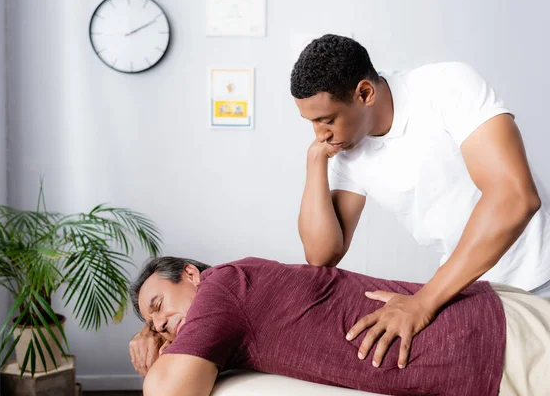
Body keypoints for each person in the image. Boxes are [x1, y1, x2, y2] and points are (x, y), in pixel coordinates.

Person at [291, 34, 550, 368]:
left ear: (364, 93)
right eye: (310, 122)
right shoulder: (346, 149)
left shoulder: (446, 87)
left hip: (541, 275)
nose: (319, 133)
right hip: (472, 292)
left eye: (326, 119)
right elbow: (321, 254)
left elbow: (515, 198)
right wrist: (316, 162)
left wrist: (424, 301)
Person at [129, 256, 550, 396]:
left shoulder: (222, 287)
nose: (162, 324)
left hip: (498, 343)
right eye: (154, 324)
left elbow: (168, 391)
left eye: (159, 306)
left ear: (189, 274)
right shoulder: (234, 296)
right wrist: (156, 330)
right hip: (491, 334)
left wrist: (150, 341)